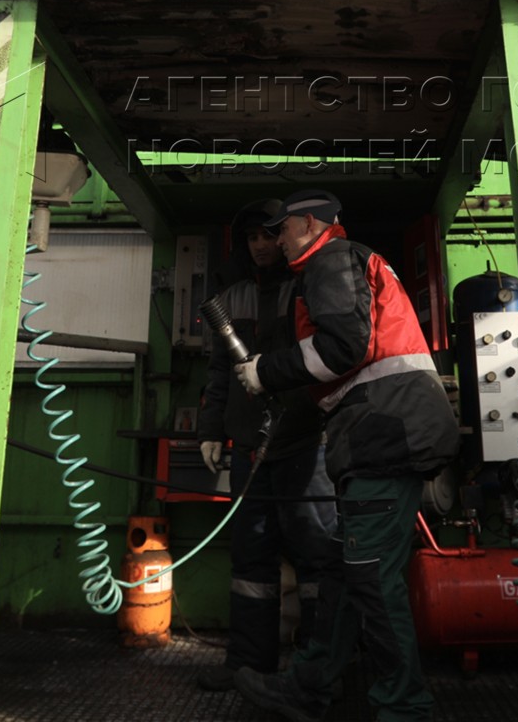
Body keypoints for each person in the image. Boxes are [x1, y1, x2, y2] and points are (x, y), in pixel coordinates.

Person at [232, 190, 460, 722]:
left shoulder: (331, 260)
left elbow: (344, 348)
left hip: (386, 437)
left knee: (372, 581)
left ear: (310, 224)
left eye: (283, 229)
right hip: (384, 434)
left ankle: (404, 706)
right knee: (343, 570)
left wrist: (265, 371)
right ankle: (307, 686)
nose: (277, 239)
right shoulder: (345, 261)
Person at [194, 198, 337, 692]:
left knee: (317, 558)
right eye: (250, 237)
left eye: (266, 235)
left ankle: (320, 672)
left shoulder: (310, 286)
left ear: (283, 237)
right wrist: (212, 428)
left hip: (306, 443)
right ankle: (248, 668)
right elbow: (217, 372)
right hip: (249, 448)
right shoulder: (230, 298)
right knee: (250, 560)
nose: (259, 245)